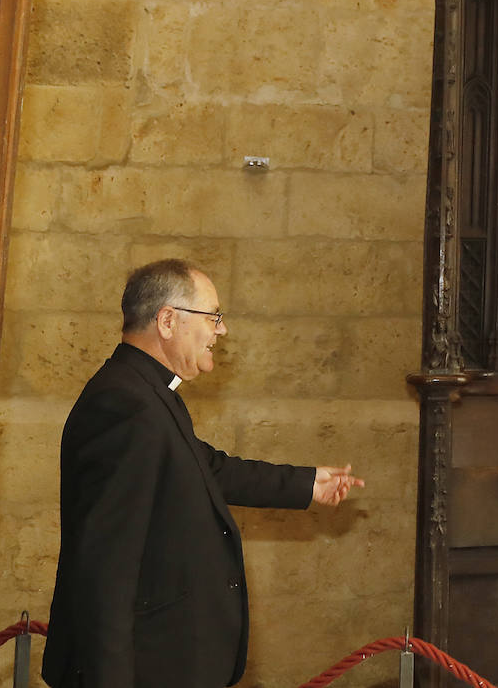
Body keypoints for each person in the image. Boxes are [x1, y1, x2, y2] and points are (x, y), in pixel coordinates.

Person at [42, 258, 363, 688]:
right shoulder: (124, 405)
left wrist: (306, 484)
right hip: (147, 667)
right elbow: (106, 570)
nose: (221, 330)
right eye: (213, 316)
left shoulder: (146, 392)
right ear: (168, 321)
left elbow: (206, 466)